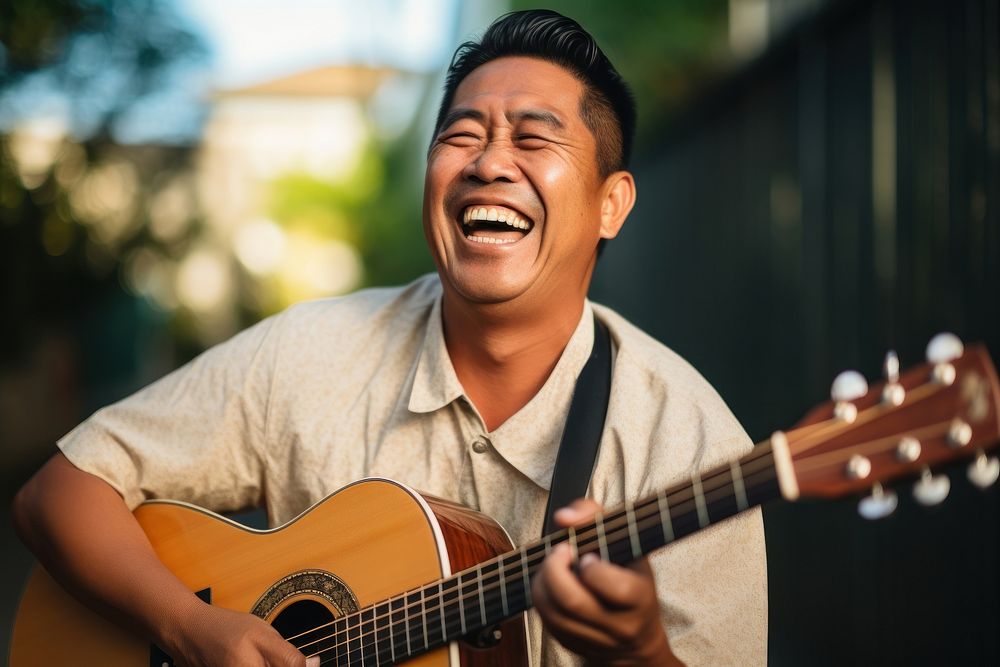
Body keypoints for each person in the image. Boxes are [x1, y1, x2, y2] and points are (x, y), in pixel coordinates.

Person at [14, 9, 766, 666]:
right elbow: (58, 491)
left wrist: (640, 654)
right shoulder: (312, 351)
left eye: (535, 139)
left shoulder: (694, 447)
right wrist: (188, 626)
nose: (489, 162)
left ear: (612, 203)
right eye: (462, 135)